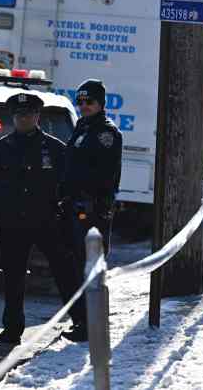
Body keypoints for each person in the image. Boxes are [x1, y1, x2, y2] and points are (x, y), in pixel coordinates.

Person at [0, 92, 87, 345]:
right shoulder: (0, 149)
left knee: (64, 272)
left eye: (29, 114)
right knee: (13, 277)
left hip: (48, 222)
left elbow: (70, 184)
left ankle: (80, 321)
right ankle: (12, 329)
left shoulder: (55, 148)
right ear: (13, 117)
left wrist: (65, 215)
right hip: (12, 223)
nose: (24, 119)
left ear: (37, 116)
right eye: (19, 115)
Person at [61, 79, 122, 339]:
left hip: (93, 208)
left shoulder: (106, 133)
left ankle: (91, 325)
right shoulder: (82, 127)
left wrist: (93, 201)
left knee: (91, 266)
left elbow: (105, 177)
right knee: (75, 265)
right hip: (75, 206)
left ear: (101, 104)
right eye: (81, 101)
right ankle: (81, 322)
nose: (84, 106)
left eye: (90, 102)